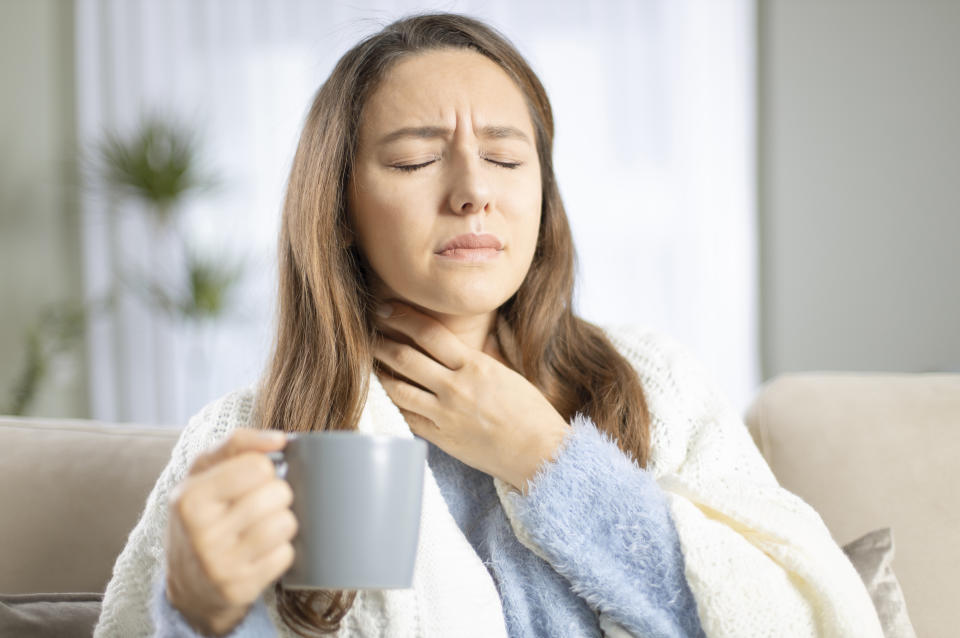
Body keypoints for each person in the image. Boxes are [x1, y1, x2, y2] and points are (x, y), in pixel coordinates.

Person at [93, 12, 884, 638]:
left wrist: (545, 458)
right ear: (337, 210)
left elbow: (793, 619)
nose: (474, 191)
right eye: (413, 160)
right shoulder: (247, 435)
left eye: (507, 160)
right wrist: (202, 616)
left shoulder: (652, 386)